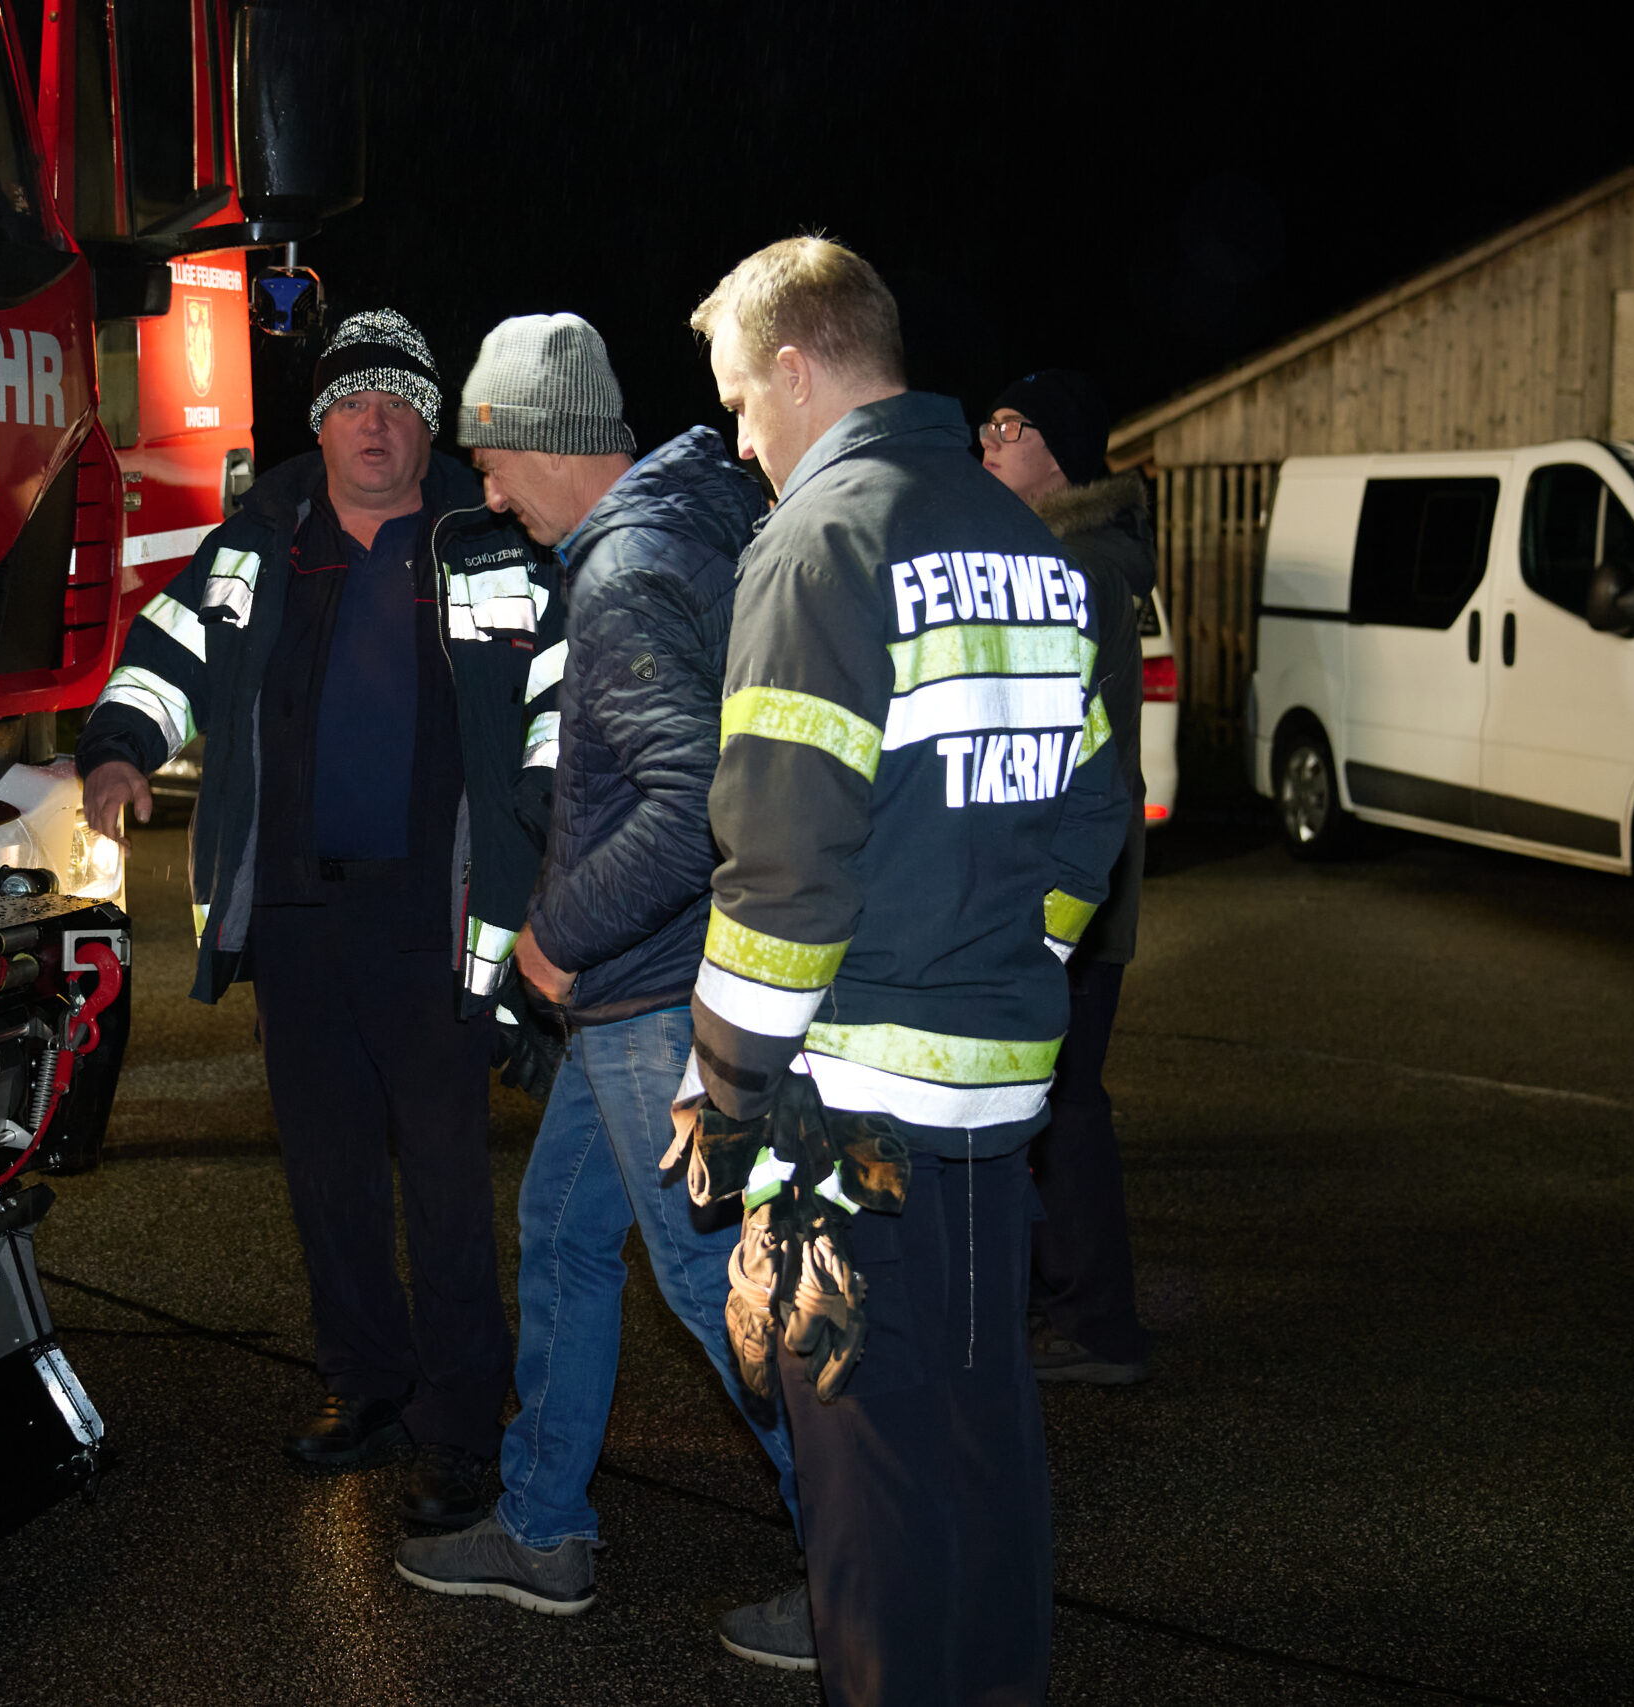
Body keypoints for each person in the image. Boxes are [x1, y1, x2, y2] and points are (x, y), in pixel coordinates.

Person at [677, 237, 1133, 1701]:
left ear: (797, 369)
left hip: (843, 1122)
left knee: (868, 1491)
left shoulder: (820, 545)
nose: (740, 439)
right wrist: (1015, 957)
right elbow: (1096, 811)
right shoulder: (1025, 544)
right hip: (997, 1110)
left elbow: (782, 879)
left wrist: (724, 1098)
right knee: (983, 1455)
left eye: (740, 401)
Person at [73, 309, 561, 1530]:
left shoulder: (489, 539)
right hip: (297, 915)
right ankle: (366, 1385)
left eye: (397, 405)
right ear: (322, 423)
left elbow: (561, 686)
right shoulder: (261, 538)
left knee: (446, 1187)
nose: (374, 425)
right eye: (352, 404)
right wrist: (122, 747)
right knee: (328, 1176)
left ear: (429, 424)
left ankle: (461, 1424)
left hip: (434, 918)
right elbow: (168, 652)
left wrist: (550, 820)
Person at [389, 314, 797, 1616]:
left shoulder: (624, 569)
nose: (491, 493)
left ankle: (867, 1563)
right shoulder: (697, 518)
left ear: (552, 442)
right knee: (564, 1230)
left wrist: (556, 940)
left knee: (711, 1276)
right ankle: (542, 1526)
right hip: (669, 977)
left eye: (494, 461)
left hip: (648, 989)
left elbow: (688, 806)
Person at [982, 370, 1156, 1387]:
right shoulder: (1065, 554)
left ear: (1061, 451)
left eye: (1012, 425)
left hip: (1072, 879)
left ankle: (1097, 1322)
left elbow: (1056, 741)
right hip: (1079, 874)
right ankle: (1069, 1303)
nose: (991, 438)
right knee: (1055, 1093)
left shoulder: (1074, 566)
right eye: (990, 422)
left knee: (1067, 1098)